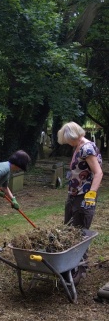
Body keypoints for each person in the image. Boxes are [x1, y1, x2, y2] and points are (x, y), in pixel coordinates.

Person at [57, 122, 104, 297]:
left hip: (84, 197)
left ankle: (78, 272)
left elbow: (98, 173)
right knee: (69, 231)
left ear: (74, 136)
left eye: (67, 140)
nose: (67, 143)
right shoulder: (78, 147)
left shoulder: (87, 148)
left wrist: (91, 195)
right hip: (74, 195)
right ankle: (68, 266)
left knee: (79, 234)